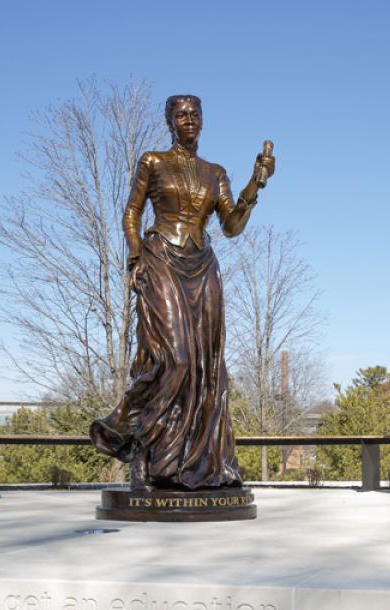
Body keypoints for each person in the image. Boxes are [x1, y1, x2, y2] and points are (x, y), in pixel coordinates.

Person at [90, 95, 274, 489]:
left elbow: (232, 225)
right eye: (181, 115)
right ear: (170, 121)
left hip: (202, 267)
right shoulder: (153, 161)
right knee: (175, 360)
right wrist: (135, 257)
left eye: (195, 114)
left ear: (203, 121)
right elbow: (132, 212)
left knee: (207, 369)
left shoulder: (215, 172)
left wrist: (255, 184)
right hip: (160, 261)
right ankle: (138, 443)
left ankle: (192, 463)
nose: (189, 120)